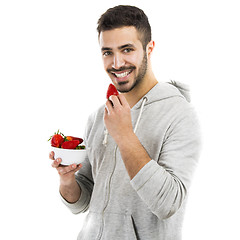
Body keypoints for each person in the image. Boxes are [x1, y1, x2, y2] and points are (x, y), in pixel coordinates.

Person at [49, 5, 201, 240]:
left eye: (127, 49)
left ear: (149, 49)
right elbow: (83, 201)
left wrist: (125, 135)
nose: (116, 63)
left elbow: (168, 204)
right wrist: (67, 179)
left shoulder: (180, 114)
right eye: (107, 52)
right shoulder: (100, 115)